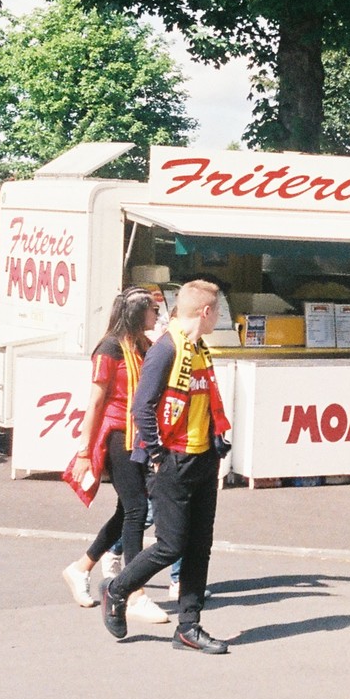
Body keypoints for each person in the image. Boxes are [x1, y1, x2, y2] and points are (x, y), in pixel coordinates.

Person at [102, 280, 233, 655]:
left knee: (199, 546)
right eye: (217, 311)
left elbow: (204, 401)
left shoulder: (199, 349)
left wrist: (216, 440)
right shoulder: (167, 348)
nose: (218, 318)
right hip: (173, 460)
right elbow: (141, 406)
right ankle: (118, 588)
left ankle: (189, 627)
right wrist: (157, 456)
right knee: (170, 545)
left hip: (204, 457)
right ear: (205, 312)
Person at [61, 289, 166, 625]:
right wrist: (83, 452)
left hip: (136, 436)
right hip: (117, 435)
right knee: (136, 508)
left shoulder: (141, 346)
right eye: (152, 310)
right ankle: (134, 593)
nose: (156, 316)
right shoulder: (110, 348)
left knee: (128, 511)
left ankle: (81, 568)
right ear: (138, 314)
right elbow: (95, 403)